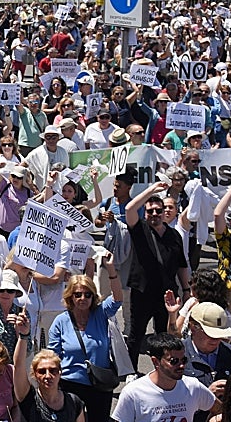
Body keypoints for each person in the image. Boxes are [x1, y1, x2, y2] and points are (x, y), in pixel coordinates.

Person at [125, 180, 190, 360]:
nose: (155, 214)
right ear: (145, 214)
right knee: (136, 334)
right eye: (150, 211)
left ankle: (162, 367)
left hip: (167, 294)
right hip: (142, 291)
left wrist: (186, 290)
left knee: (164, 335)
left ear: (164, 213)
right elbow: (129, 209)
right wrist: (152, 189)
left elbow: (181, 265)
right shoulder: (139, 229)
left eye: (158, 210)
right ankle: (131, 370)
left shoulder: (174, 235)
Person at [48, 270, 123, 422]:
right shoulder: (60, 321)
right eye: (78, 295)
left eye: (87, 294)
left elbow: (117, 299)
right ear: (70, 296)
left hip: (99, 384)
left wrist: (112, 270)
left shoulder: (101, 313)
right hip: (70, 384)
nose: (83, 298)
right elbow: (53, 356)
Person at [113, 333, 216, 422]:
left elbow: (220, 410)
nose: (181, 366)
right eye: (174, 361)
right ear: (156, 361)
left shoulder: (193, 387)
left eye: (184, 360)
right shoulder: (133, 392)